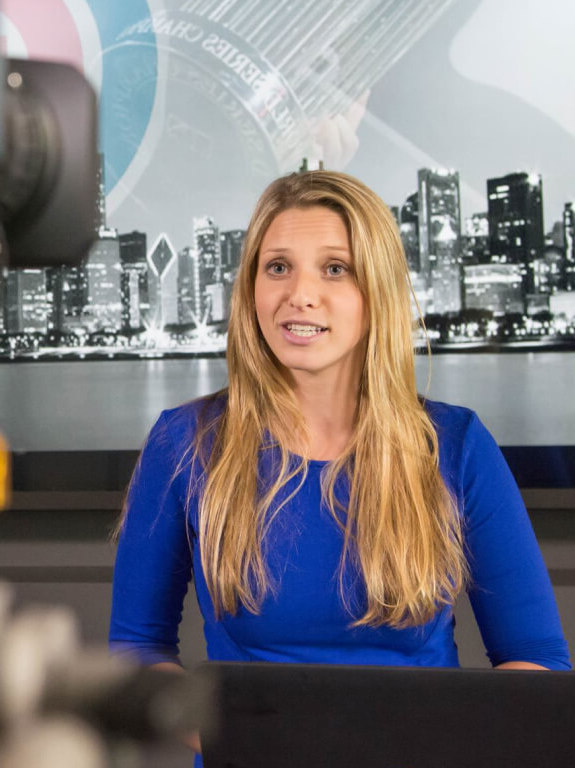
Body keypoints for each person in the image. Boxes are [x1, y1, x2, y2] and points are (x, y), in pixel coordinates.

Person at [109, 170, 571, 761]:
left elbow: (536, 659)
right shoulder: (184, 443)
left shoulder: (455, 445)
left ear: (376, 290)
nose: (300, 293)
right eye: (278, 267)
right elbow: (137, 648)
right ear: (250, 289)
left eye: (334, 268)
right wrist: (257, 742)